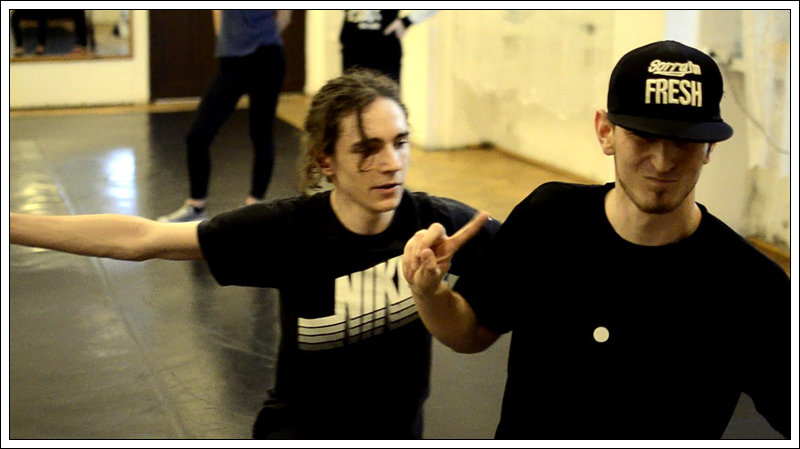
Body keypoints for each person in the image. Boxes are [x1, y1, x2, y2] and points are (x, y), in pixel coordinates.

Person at [10, 69, 500, 439]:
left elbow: (529, 256)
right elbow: (142, 239)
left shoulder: (437, 226)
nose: (392, 163)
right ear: (325, 159)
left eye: (400, 142)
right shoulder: (288, 229)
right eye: (367, 149)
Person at [402, 40, 790, 439]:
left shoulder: (751, 285)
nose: (663, 162)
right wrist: (428, 292)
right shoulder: (549, 219)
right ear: (606, 132)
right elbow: (470, 332)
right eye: (643, 137)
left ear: (709, 148)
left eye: (684, 141)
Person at [157, 10, 291, 223]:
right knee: (197, 136)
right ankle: (196, 206)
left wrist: (257, 37)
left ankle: (254, 207)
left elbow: (285, 16)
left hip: (266, 57)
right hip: (231, 62)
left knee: (261, 133)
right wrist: (229, 41)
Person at [340, 10, 438, 83]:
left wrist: (407, 21)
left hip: (384, 50)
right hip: (352, 48)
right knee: (351, 98)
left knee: (386, 97)